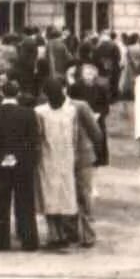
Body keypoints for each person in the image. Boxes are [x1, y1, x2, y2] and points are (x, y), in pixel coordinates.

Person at [0, 81, 40, 252]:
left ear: (1, 92)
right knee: (25, 202)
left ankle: (0, 242)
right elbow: (33, 140)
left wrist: (2, 156)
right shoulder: (28, 114)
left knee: (0, 202)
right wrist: (18, 156)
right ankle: (28, 240)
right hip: (23, 164)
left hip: (0, 165)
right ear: (18, 94)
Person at [33, 77, 80, 249]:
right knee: (63, 195)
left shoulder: (39, 112)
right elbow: (75, 137)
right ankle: (62, 233)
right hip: (66, 157)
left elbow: (38, 137)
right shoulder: (71, 111)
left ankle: (53, 234)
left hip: (47, 158)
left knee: (49, 195)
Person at [67, 80, 104, 248]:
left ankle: (71, 232)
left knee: (70, 194)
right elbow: (96, 132)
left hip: (66, 156)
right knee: (85, 195)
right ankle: (88, 235)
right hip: (84, 155)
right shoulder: (81, 106)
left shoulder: (57, 105)